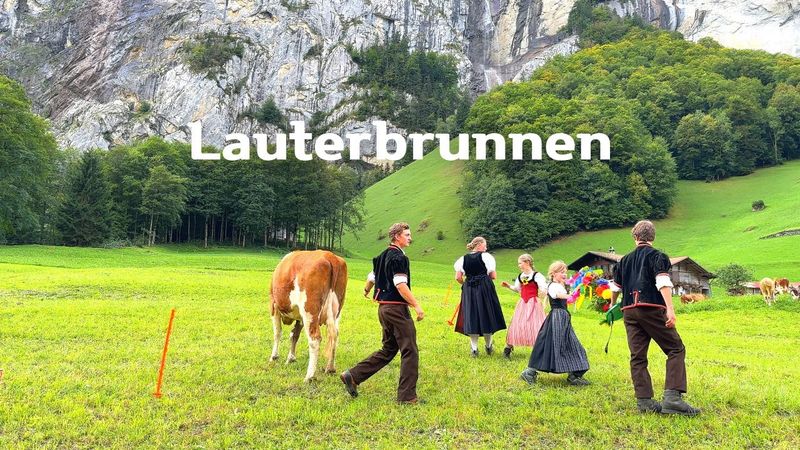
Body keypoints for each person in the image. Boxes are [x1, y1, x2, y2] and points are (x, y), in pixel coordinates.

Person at [609, 220, 701, 415]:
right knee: (675, 348)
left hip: (629, 311)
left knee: (637, 355)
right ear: (652, 237)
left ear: (635, 237)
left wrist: (611, 307)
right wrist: (670, 309)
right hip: (651, 308)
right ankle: (672, 399)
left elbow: (615, 288)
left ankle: (644, 401)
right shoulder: (658, 256)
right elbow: (662, 282)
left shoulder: (623, 261)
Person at [341, 222, 425, 404]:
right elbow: (401, 285)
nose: (410, 238)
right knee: (410, 350)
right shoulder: (399, 258)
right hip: (396, 309)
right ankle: (407, 397)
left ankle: (353, 375)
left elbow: (371, 278)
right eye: (407, 235)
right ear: (397, 236)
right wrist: (417, 305)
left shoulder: (381, 256)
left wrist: (365, 290)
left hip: (383, 309)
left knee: (388, 349)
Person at [521, 261, 590, 386]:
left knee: (571, 345)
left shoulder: (560, 285)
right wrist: (571, 295)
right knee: (550, 344)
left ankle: (574, 375)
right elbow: (558, 295)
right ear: (553, 274)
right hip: (557, 318)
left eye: (565, 272)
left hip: (563, 318)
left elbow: (567, 293)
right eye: (562, 272)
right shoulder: (553, 286)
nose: (565, 274)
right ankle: (530, 372)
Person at [453, 237, 507, 357]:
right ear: (478, 245)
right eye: (485, 245)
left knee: (472, 315)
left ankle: (474, 349)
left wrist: (466, 284)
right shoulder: (487, 257)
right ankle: (488, 347)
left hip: (469, 289)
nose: (486, 248)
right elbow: (493, 276)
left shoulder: (462, 259)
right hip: (484, 288)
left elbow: (458, 277)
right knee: (487, 314)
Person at [500, 254, 547, 359]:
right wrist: (508, 286)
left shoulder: (537, 276)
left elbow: (543, 288)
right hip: (523, 303)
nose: (519, 265)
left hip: (533, 304)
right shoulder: (521, 276)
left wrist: (542, 293)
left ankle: (540, 351)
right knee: (517, 325)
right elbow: (518, 289)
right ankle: (508, 348)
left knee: (536, 325)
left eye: (520, 263)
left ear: (527, 262)